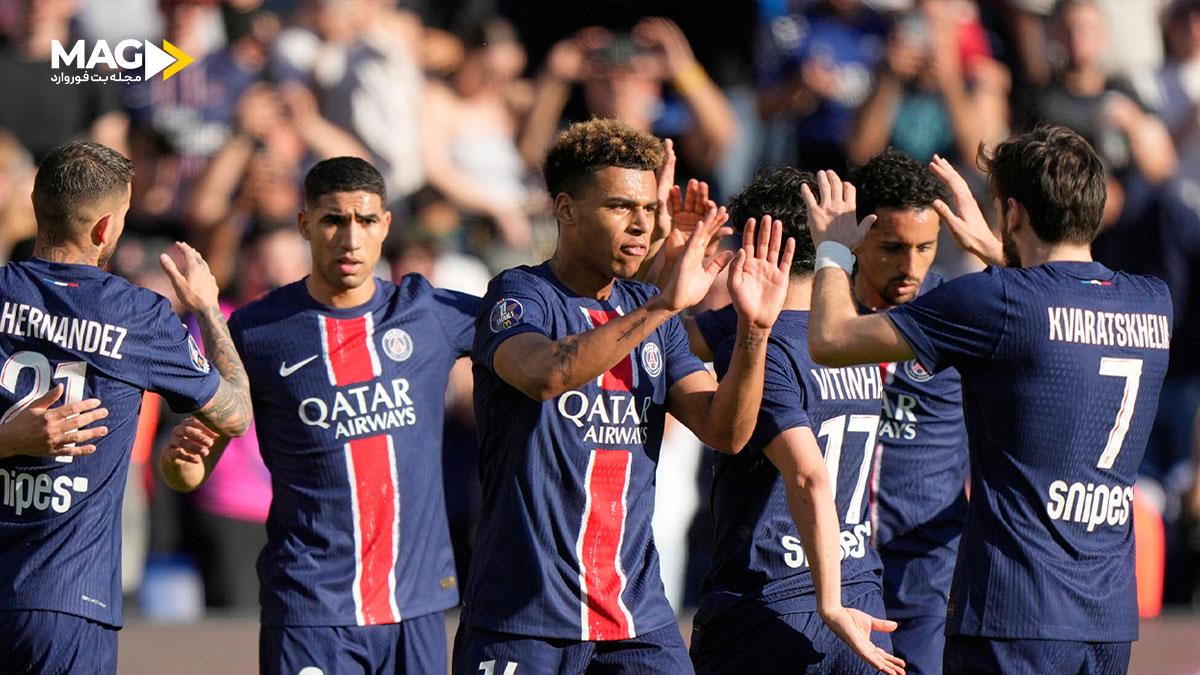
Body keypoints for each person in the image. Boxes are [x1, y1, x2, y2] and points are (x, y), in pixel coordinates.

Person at [804, 125, 1172, 672]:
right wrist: (1001, 254)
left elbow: (831, 340)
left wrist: (833, 247)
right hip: (1107, 619)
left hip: (1013, 609)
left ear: (1013, 214)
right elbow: (1058, 305)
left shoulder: (996, 300)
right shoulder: (1153, 301)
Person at [454, 118, 792, 673]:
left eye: (648, 209)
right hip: (522, 617)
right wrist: (663, 304)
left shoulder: (649, 312)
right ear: (565, 210)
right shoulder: (521, 294)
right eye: (619, 207)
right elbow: (544, 375)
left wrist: (754, 332)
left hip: (636, 617)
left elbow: (725, 432)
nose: (641, 224)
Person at [159, 156, 478, 674]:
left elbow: (537, 351)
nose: (350, 239)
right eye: (333, 220)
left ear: (385, 225)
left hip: (414, 604)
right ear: (305, 224)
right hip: (310, 609)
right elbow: (189, 473)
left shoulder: (430, 313)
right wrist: (180, 462)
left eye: (366, 220)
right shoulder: (257, 331)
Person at [0, 140, 251, 674]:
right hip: (67, 600)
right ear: (105, 228)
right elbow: (235, 414)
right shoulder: (136, 315)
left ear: (37, 205)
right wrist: (208, 309)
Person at [683, 166, 903, 675]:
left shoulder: (757, 348)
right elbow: (674, 340)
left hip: (772, 604)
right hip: (862, 596)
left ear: (754, 246)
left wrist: (829, 603)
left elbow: (809, 476)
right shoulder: (852, 339)